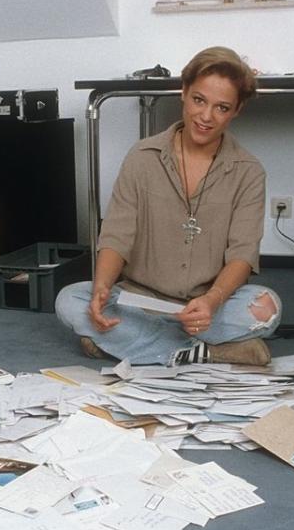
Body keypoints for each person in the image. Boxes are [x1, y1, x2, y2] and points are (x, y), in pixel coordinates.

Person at [55, 46, 281, 366]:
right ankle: (206, 352)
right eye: (199, 100)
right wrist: (103, 287)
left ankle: (126, 343)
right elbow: (116, 235)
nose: (205, 116)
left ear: (237, 110)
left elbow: (242, 255)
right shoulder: (141, 156)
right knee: (70, 300)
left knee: (266, 308)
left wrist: (212, 301)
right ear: (184, 92)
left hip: (209, 304)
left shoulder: (249, 170)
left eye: (221, 107)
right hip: (139, 298)